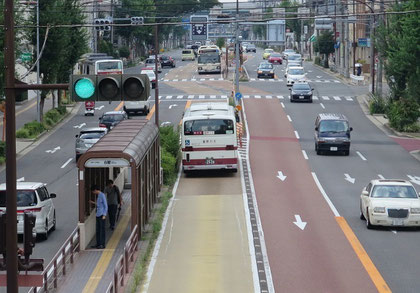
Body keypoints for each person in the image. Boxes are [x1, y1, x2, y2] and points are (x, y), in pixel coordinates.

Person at [90, 185, 108, 249]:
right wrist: (93, 202)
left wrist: (104, 215)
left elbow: (106, 206)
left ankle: (102, 244)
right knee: (98, 230)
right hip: (98, 215)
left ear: (95, 190)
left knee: (102, 230)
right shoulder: (98, 196)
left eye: (93, 192)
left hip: (101, 215)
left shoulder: (102, 195)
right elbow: (99, 205)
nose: (93, 193)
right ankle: (98, 243)